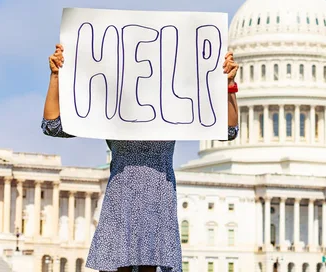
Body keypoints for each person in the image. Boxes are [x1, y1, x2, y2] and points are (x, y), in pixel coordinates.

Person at [41, 43, 240, 272]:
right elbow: (52, 125)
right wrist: (56, 75)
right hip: (122, 201)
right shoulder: (110, 106)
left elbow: (228, 130)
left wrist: (229, 84)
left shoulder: (175, 104)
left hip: (157, 201)